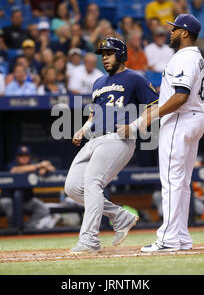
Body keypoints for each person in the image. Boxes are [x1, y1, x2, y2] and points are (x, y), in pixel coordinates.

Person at [65, 37, 159, 254]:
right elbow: (94, 114)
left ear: (122, 55)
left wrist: (135, 126)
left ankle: (89, 240)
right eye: (103, 54)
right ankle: (120, 216)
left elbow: (155, 107)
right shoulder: (98, 82)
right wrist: (83, 129)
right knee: (72, 188)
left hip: (118, 139)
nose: (105, 58)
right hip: (94, 139)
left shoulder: (135, 78)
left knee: (92, 183)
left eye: (109, 53)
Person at [128, 14, 204, 252]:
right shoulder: (198, 58)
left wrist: (155, 114)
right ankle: (181, 237)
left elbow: (181, 95)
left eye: (175, 29)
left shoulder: (183, 57)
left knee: (172, 181)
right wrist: (194, 109)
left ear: (185, 33)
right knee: (182, 182)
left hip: (179, 119)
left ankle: (167, 239)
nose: (171, 32)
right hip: (194, 118)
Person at [0, 145, 57, 230]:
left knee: (44, 210)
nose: (24, 158)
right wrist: (39, 165)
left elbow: (52, 169)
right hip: (8, 198)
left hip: (27, 200)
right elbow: (15, 170)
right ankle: (12, 231)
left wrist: (45, 168)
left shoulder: (32, 165)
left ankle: (26, 228)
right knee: (11, 211)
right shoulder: (12, 165)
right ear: (17, 157)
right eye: (21, 156)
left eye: (26, 156)